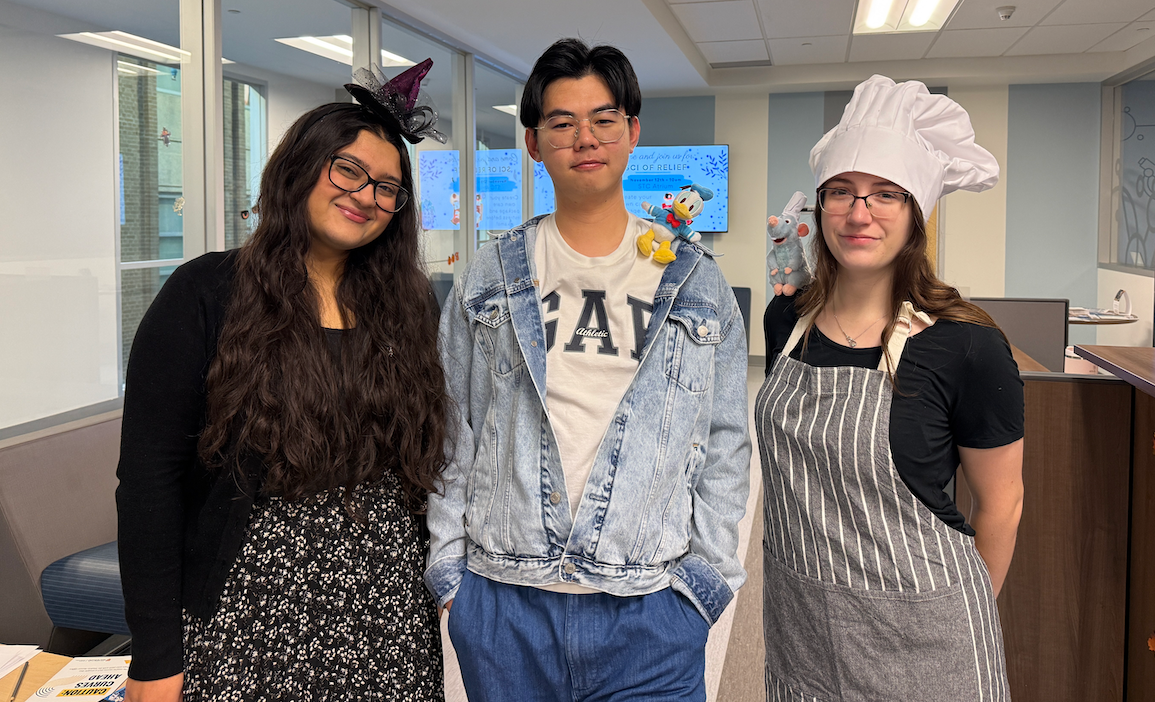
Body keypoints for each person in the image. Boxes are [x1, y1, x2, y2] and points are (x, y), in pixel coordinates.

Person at [426, 38, 751, 701]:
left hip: (652, 610)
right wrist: (451, 572)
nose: (585, 138)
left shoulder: (694, 281)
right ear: (533, 142)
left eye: (603, 120)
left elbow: (726, 444)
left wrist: (704, 587)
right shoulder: (488, 275)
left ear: (632, 133)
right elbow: (450, 428)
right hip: (505, 604)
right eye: (562, 122)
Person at [116, 60, 450, 702]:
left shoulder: (408, 310)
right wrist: (154, 661)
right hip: (250, 618)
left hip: (389, 616)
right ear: (301, 168)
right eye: (348, 169)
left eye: (387, 187)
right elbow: (148, 485)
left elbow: (423, 465)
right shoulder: (205, 293)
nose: (366, 195)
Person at [759, 74, 1024, 701]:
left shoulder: (967, 347)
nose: (859, 213)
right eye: (842, 193)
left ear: (915, 214)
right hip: (803, 628)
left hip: (927, 639)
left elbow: (1003, 504)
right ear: (817, 209)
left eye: (885, 195)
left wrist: (952, 621)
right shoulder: (785, 322)